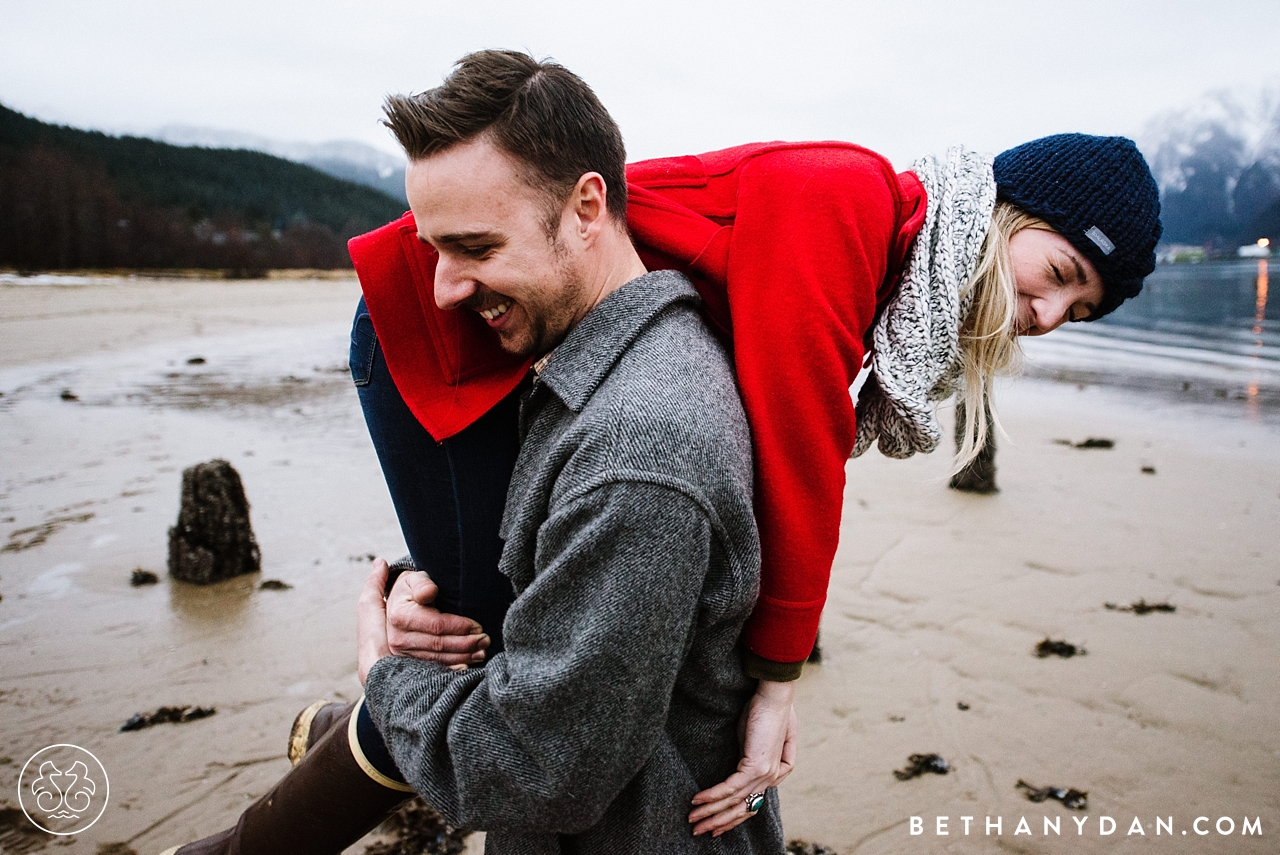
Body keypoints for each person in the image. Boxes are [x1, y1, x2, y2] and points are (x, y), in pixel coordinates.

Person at [164, 47, 1163, 852]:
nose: (1046, 312)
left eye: (1078, 310)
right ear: (1000, 216)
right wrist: (776, 681)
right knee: (490, 654)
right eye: (1056, 271)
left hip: (540, 351)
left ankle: (353, 735)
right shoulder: (850, 202)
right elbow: (795, 434)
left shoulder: (892, 264)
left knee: (534, 650)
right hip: (430, 341)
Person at [162, 50, 783, 855]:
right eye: (434, 250)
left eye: (476, 247)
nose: (445, 288)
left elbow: (540, 767)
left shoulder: (638, 448)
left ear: (586, 207)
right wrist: (431, 603)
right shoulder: (610, 372)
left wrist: (385, 670)